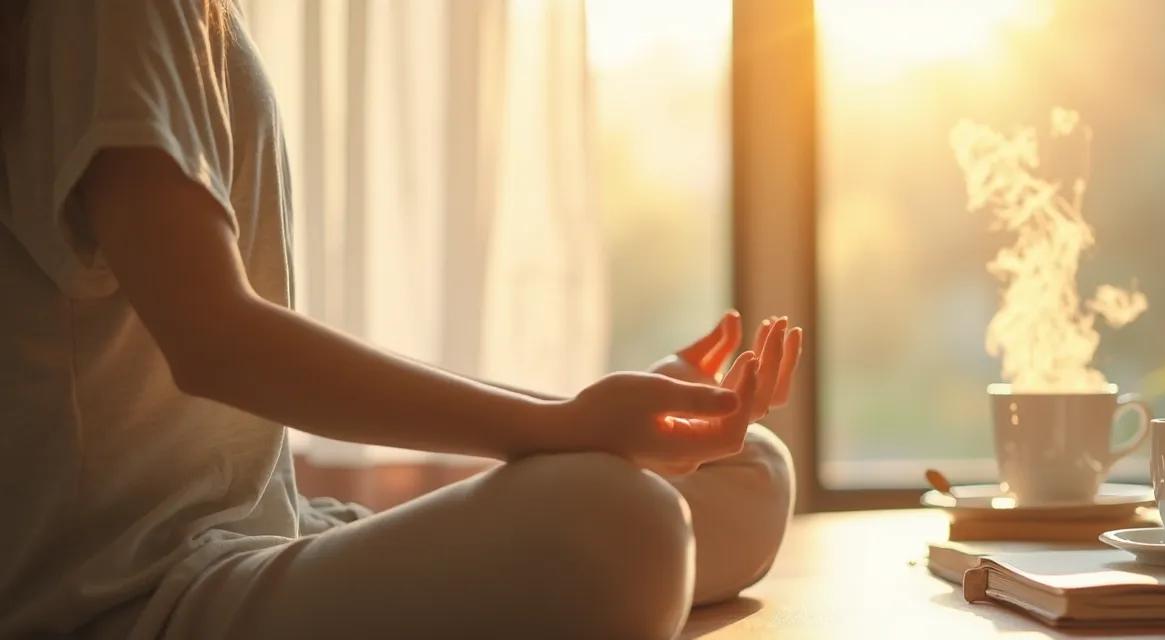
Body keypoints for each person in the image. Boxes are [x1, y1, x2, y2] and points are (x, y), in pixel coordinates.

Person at [0, 1, 804, 638]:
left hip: (274, 529)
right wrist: (567, 425)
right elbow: (217, 343)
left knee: (750, 470)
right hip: (133, 600)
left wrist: (599, 420)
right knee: (630, 527)